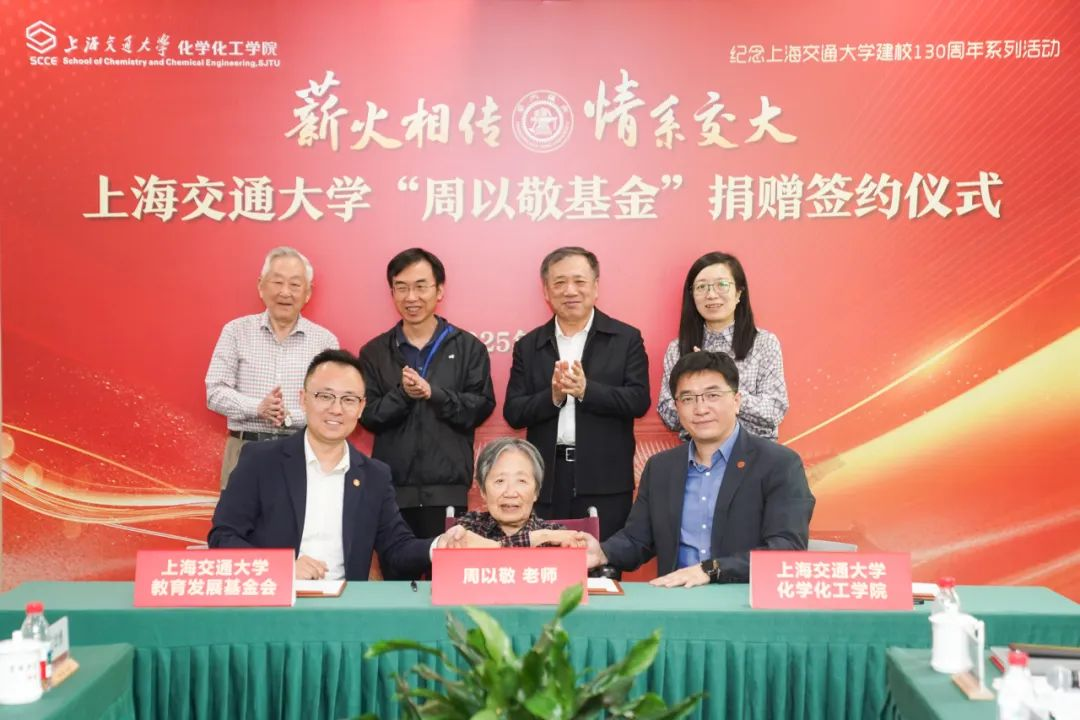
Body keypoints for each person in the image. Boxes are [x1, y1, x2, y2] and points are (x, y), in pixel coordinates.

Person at [573, 351, 814, 587]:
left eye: (712, 395)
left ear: (736, 401)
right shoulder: (661, 468)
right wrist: (603, 552)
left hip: (745, 602)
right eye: (688, 399)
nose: (700, 409)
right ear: (677, 407)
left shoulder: (779, 464)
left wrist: (712, 570)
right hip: (677, 602)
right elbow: (637, 539)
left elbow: (787, 549)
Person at [209, 349, 451, 581]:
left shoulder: (375, 476)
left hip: (344, 603)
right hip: (277, 599)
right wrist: (281, 568)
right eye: (325, 396)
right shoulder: (260, 461)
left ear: (361, 408)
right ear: (303, 400)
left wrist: (440, 545)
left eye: (348, 399)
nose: (336, 409)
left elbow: (397, 547)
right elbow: (223, 537)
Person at [504, 246, 650, 541]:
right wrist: (553, 397)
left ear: (595, 287)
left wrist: (587, 391)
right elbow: (514, 412)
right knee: (547, 560)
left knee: (604, 560)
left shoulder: (625, 339)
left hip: (605, 479)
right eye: (559, 283)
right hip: (545, 479)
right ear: (546, 291)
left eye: (579, 281)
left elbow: (638, 400)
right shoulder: (529, 345)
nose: (570, 290)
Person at [358, 248, 496, 542]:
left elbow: (480, 407)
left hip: (447, 492)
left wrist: (434, 394)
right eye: (402, 287)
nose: (411, 297)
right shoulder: (374, 352)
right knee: (396, 570)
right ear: (392, 292)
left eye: (421, 286)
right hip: (392, 490)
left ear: (439, 290)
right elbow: (367, 416)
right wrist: (404, 395)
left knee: (444, 570)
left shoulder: (469, 347)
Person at [206, 247, 338, 488]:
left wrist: (289, 417)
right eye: (277, 282)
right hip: (244, 451)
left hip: (302, 453)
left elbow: (331, 404)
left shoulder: (324, 341)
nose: (285, 292)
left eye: (295, 285)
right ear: (261, 286)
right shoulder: (236, 331)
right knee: (238, 513)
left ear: (307, 293)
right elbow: (214, 392)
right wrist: (258, 408)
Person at [657, 252, 788, 439]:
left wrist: (722, 387)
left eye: (722, 285)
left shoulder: (764, 343)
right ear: (692, 296)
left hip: (754, 451)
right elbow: (668, 415)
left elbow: (774, 411)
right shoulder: (678, 349)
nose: (711, 295)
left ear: (739, 293)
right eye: (701, 287)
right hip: (699, 452)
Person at [451, 437, 585, 548]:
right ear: (483, 491)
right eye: (500, 481)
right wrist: (537, 538)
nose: (510, 493)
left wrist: (493, 546)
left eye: (521, 481)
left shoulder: (557, 535)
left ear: (536, 491)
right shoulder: (469, 526)